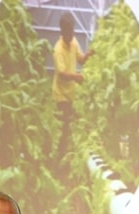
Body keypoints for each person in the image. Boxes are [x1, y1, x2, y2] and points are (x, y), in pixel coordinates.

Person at [52, 12, 91, 159]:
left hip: (71, 93)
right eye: (68, 32)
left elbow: (80, 60)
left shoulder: (74, 41)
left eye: (72, 31)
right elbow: (61, 74)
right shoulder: (58, 50)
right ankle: (60, 159)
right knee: (63, 127)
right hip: (61, 95)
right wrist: (76, 77)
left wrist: (87, 54)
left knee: (69, 126)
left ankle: (66, 156)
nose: (71, 35)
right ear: (62, 31)